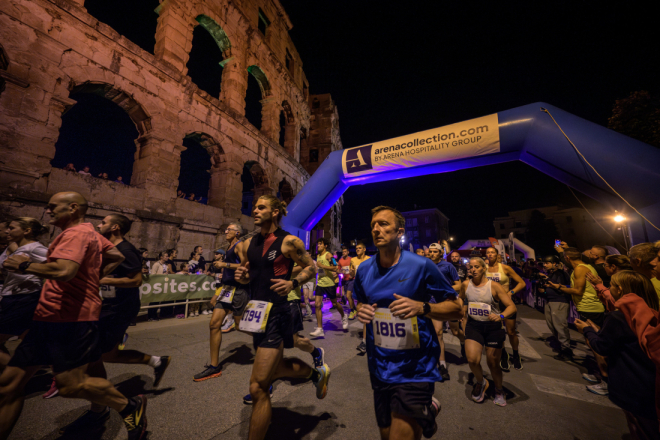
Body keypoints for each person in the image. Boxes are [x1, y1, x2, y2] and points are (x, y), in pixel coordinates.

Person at [0, 191, 148, 440]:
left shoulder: (76, 233)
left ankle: (129, 405)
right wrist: (92, 277)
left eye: (52, 207)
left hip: (70, 319)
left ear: (72, 208)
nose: (48, 211)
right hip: (47, 316)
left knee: (71, 386)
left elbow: (66, 270)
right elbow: (115, 255)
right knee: (9, 386)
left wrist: (24, 265)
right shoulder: (90, 232)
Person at [355, 206, 463, 439]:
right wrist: (360, 311)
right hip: (379, 366)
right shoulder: (364, 269)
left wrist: (423, 308)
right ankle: (427, 410)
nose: (376, 229)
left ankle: (423, 407)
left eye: (383, 224)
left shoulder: (421, 265)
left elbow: (456, 308)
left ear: (399, 232)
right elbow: (359, 303)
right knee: (386, 433)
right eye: (373, 225)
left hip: (415, 367)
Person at [59, 214, 171, 435]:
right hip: (105, 307)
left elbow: (136, 280)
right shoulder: (108, 247)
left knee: (95, 356)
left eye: (103, 222)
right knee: (103, 355)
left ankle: (103, 408)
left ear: (115, 227)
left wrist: (104, 280)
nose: (99, 224)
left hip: (118, 310)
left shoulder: (128, 250)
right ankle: (155, 363)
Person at [234, 195, 329, 440]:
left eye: (261, 207)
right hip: (256, 315)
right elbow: (248, 276)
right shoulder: (246, 244)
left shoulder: (289, 241)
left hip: (278, 313)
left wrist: (292, 282)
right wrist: (242, 277)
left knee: (258, 386)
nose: (255, 210)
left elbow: (311, 267)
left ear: (275, 212)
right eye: (254, 206)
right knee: (275, 370)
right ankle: (315, 374)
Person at [574, 271, 659, 439]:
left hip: (630, 382)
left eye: (610, 285)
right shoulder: (651, 313)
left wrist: (587, 330)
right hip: (650, 381)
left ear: (619, 290)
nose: (608, 288)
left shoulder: (618, 316)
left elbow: (601, 347)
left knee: (639, 427)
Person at [547, 247, 607, 394]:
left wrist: (559, 287)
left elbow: (578, 290)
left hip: (590, 308)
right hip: (587, 307)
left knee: (596, 345)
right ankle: (599, 374)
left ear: (567, 258)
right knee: (591, 342)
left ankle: (606, 382)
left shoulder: (580, 269)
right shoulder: (584, 267)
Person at [193, 223, 250, 381]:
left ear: (237, 232)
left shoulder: (240, 245)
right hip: (226, 289)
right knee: (214, 324)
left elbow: (247, 265)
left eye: (229, 229)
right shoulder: (229, 247)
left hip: (239, 289)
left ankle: (266, 339)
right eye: (225, 229)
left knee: (240, 326)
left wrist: (225, 264)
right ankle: (214, 366)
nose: (226, 231)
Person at [462, 257, 517, 406]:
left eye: (476, 267)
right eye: (470, 267)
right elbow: (461, 302)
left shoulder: (494, 286)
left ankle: (499, 390)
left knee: (493, 363)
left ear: (483, 268)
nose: (473, 269)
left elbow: (511, 307)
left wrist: (501, 316)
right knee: (473, 360)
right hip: (474, 326)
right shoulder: (466, 284)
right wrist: (462, 318)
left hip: (493, 327)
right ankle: (481, 382)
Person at [0, 218, 48, 368]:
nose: (8, 231)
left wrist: (29, 268)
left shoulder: (34, 248)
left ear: (26, 231)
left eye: (12, 228)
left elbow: (56, 266)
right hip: (12, 297)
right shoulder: (21, 247)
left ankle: (13, 379)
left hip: (23, 299)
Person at [484, 247, 526, 371]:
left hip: (505, 303)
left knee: (511, 331)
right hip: (491, 303)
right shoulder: (484, 268)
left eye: (492, 252)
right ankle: (503, 354)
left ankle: (516, 354)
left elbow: (521, 283)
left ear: (497, 255)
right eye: (488, 252)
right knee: (498, 331)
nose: (490, 254)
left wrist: (511, 292)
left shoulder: (505, 268)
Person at [428, 243, 462, 379]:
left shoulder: (448, 266)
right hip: (430, 302)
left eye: (435, 252)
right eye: (430, 251)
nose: (431, 254)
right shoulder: (425, 265)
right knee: (435, 332)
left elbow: (459, 284)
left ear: (440, 253)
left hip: (446, 302)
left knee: (450, 331)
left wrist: (447, 290)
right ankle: (438, 364)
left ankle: (463, 342)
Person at [537, 255, 572, 360]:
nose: (545, 265)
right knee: (552, 325)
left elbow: (561, 286)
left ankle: (566, 350)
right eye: (544, 263)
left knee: (560, 326)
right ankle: (560, 346)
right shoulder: (550, 274)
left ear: (555, 263)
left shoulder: (561, 273)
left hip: (559, 302)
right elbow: (546, 289)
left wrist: (546, 279)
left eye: (547, 263)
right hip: (549, 301)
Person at [311, 237, 347, 337]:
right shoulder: (318, 256)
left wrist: (322, 266)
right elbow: (319, 269)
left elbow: (335, 267)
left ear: (325, 246)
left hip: (329, 284)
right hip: (320, 283)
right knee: (317, 305)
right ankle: (319, 329)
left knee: (335, 303)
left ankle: (344, 316)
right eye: (318, 244)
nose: (318, 246)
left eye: (320, 244)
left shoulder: (329, 255)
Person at [349, 241, 371, 353]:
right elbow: (351, 275)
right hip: (358, 287)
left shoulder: (369, 259)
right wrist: (352, 273)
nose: (357, 249)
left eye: (359, 248)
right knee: (360, 310)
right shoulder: (353, 260)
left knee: (367, 314)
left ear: (364, 249)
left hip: (369, 287)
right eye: (356, 248)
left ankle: (365, 342)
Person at [147, 250, 169, 321]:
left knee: (158, 300)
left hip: (162, 284)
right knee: (154, 300)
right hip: (156, 284)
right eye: (166, 256)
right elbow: (153, 274)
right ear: (161, 257)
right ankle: (151, 315)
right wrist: (162, 275)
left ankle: (155, 314)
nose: (167, 257)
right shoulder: (156, 264)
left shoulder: (166, 265)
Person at [338, 246, 356, 319]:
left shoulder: (351, 259)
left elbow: (354, 268)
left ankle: (352, 311)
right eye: (343, 252)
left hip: (351, 279)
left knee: (348, 296)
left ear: (348, 252)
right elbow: (338, 270)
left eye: (345, 252)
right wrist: (340, 272)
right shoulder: (340, 261)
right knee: (349, 296)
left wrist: (352, 274)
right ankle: (355, 309)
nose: (344, 253)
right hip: (344, 280)